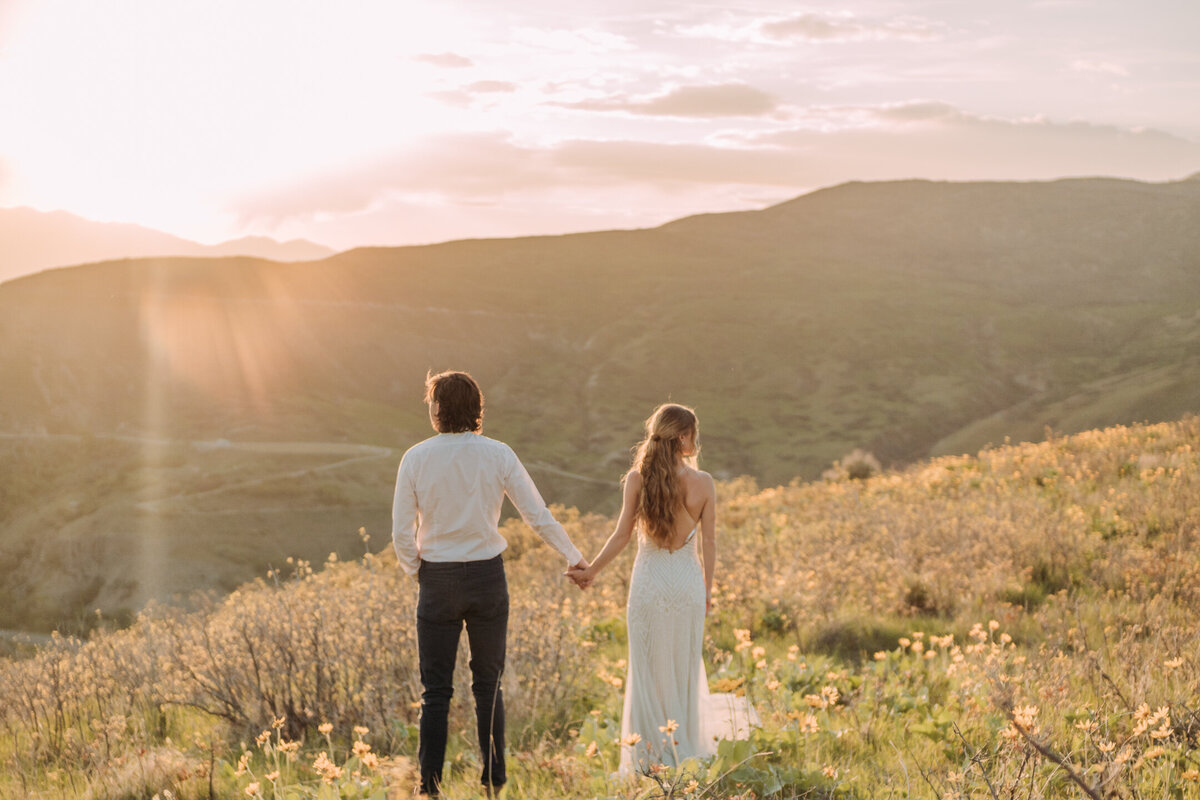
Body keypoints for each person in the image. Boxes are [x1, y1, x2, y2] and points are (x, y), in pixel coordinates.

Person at [393, 370, 589, 797]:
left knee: (436, 691)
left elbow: (401, 534)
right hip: (487, 578)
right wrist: (574, 557)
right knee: (488, 685)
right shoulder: (498, 454)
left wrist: (420, 574)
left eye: (431, 402)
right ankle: (494, 783)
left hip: (437, 580)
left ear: (438, 409)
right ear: (476, 409)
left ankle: (429, 787)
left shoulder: (415, 457)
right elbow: (537, 516)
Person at [568, 403, 756, 774]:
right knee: (683, 669)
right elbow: (710, 543)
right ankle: (681, 745)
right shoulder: (704, 483)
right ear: (684, 437)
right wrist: (707, 590)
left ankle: (648, 757)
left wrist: (591, 570)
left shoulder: (638, 478)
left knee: (647, 672)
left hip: (649, 585)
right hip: (686, 585)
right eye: (694, 434)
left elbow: (622, 535)